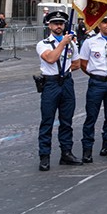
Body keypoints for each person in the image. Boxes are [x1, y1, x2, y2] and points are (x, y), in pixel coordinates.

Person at [35, 11, 82, 171]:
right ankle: (44, 156)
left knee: (67, 121)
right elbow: (50, 58)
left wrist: (66, 71)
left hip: (66, 83)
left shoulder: (72, 44)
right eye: (55, 23)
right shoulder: (44, 44)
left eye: (61, 23)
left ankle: (66, 153)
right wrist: (63, 43)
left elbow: (76, 63)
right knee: (47, 121)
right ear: (49, 25)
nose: (59, 26)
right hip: (51, 84)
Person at [79, 13, 107, 163]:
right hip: (96, 83)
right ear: (99, 25)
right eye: (104, 22)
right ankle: (87, 149)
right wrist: (96, 74)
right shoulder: (90, 42)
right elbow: (83, 64)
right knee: (91, 117)